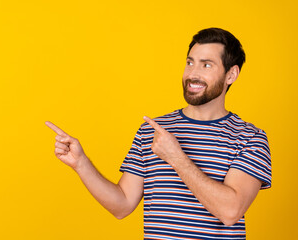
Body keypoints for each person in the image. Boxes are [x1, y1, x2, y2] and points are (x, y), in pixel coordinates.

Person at [46, 27, 271, 239]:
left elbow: (230, 212)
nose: (193, 73)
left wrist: (176, 158)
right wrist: (81, 164)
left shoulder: (250, 137)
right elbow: (122, 205)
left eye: (207, 65)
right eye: (190, 62)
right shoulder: (153, 130)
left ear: (231, 75)